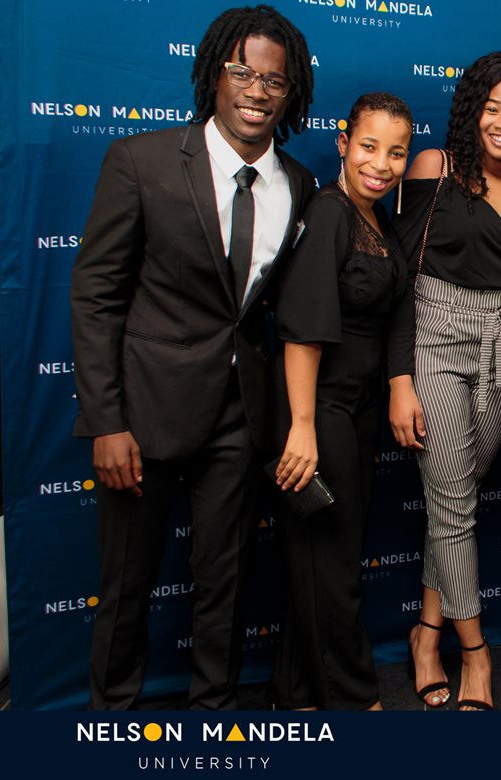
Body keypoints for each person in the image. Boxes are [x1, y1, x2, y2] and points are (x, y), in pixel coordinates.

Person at [70, 5, 316, 710]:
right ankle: (112, 716)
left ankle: (213, 715)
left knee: (225, 583)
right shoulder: (141, 161)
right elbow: (96, 298)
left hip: (240, 420)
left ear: (291, 93)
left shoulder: (299, 185)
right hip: (143, 416)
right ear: (214, 74)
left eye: (275, 79)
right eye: (242, 71)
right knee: (127, 585)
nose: (257, 90)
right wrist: (107, 422)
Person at [390, 51, 501, 711]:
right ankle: (476, 656)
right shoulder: (435, 167)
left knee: (454, 502)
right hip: (435, 344)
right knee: (454, 505)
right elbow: (399, 278)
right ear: (471, 111)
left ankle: (425, 633)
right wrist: (399, 378)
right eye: (492, 108)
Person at [268, 93, 413, 711]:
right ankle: (354, 700)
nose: (381, 164)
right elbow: (302, 328)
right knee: (330, 563)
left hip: (354, 407)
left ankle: (297, 693)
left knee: (324, 556)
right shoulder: (330, 212)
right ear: (343, 143)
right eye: (369, 147)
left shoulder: (375, 217)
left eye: (396, 152)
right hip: (318, 407)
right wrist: (302, 426)